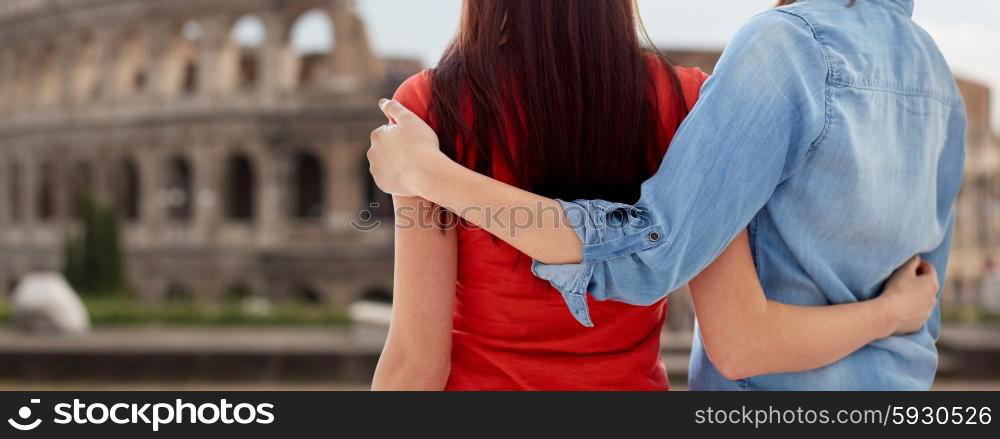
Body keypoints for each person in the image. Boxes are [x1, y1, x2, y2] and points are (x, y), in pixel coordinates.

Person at [369, 0, 945, 391]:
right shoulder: (684, 102)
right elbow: (740, 334)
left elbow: (417, 360)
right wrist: (891, 313)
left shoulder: (431, 110)